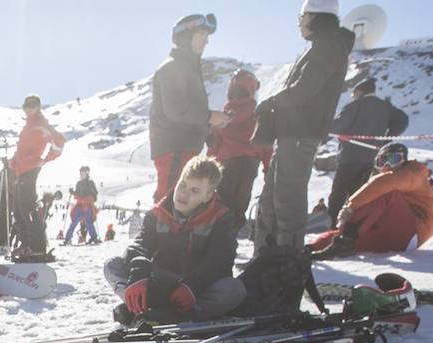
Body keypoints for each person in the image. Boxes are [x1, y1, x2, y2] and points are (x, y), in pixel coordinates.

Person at [254, 0, 355, 250]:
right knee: (270, 200)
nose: (299, 24)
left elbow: (305, 89)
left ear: (313, 17)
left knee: (287, 201)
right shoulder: (324, 46)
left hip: (300, 135)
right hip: (292, 134)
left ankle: (288, 260)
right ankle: (265, 257)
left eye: (301, 18)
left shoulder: (329, 46)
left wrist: (270, 103)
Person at [103, 154, 244, 325]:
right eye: (182, 185)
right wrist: (138, 270)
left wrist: (193, 285)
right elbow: (141, 246)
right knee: (113, 265)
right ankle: (138, 306)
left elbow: (219, 261)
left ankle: (176, 315)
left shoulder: (221, 218)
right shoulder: (158, 213)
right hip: (159, 283)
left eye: (195, 191)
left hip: (194, 289)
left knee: (234, 289)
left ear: (207, 196)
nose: (184, 194)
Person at [308, 142, 433, 259]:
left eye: (393, 160)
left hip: (416, 229)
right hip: (392, 235)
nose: (387, 166)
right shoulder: (387, 180)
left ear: (404, 160)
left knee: (384, 193)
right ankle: (337, 244)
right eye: (382, 161)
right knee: (340, 237)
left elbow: (386, 183)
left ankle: (347, 239)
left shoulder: (413, 173)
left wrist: (350, 207)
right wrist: (312, 247)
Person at [150, 13, 227, 202]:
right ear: (186, 36)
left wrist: (209, 129)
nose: (206, 41)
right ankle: (159, 232)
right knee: (169, 200)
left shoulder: (187, 68)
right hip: (174, 147)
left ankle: (169, 231)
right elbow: (176, 111)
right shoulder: (173, 67)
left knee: (178, 202)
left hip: (182, 146)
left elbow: (186, 114)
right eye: (202, 35)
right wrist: (209, 117)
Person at [326, 78, 409, 227]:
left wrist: (325, 132)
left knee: (338, 194)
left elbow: (337, 126)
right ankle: (352, 227)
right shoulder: (386, 107)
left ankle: (333, 226)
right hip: (371, 158)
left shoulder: (355, 106)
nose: (353, 96)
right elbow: (403, 120)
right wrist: (386, 139)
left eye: (354, 93)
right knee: (358, 194)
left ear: (360, 91)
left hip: (349, 157)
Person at [207, 68, 272, 225]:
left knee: (223, 201)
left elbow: (215, 143)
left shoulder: (225, 115)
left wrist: (209, 165)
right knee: (241, 200)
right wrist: (268, 168)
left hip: (226, 162)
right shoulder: (258, 115)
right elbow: (265, 144)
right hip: (250, 162)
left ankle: (220, 233)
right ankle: (233, 232)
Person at [10, 94, 65, 261]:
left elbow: (60, 140)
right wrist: (11, 162)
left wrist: (45, 159)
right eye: (26, 106)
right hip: (21, 170)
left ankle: (37, 247)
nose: (28, 109)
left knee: (27, 207)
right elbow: (22, 151)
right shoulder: (28, 125)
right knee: (18, 209)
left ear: (38, 107)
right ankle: (26, 244)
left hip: (30, 169)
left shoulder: (40, 123)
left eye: (32, 105)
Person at [64, 166, 100, 245]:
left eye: (83, 172)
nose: (81, 174)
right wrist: (73, 192)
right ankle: (67, 239)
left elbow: (95, 194)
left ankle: (94, 237)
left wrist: (91, 194)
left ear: (87, 173)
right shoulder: (79, 183)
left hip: (87, 204)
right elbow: (77, 193)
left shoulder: (90, 183)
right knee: (74, 221)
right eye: (80, 172)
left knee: (88, 221)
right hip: (80, 204)